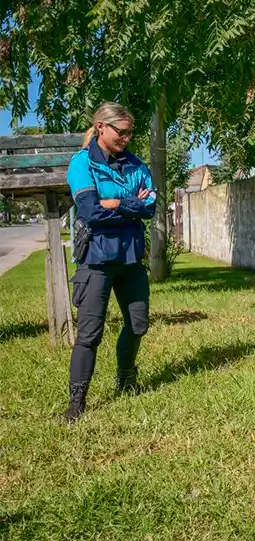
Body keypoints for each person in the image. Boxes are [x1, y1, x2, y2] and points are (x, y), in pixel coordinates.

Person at [63, 102, 157, 423]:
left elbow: (150, 207)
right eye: (122, 131)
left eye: (131, 132)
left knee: (138, 324)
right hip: (96, 260)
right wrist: (130, 204)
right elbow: (90, 212)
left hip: (131, 259)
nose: (128, 138)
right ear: (101, 127)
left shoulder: (136, 164)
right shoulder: (81, 164)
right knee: (90, 333)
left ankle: (126, 380)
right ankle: (77, 402)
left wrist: (116, 203)